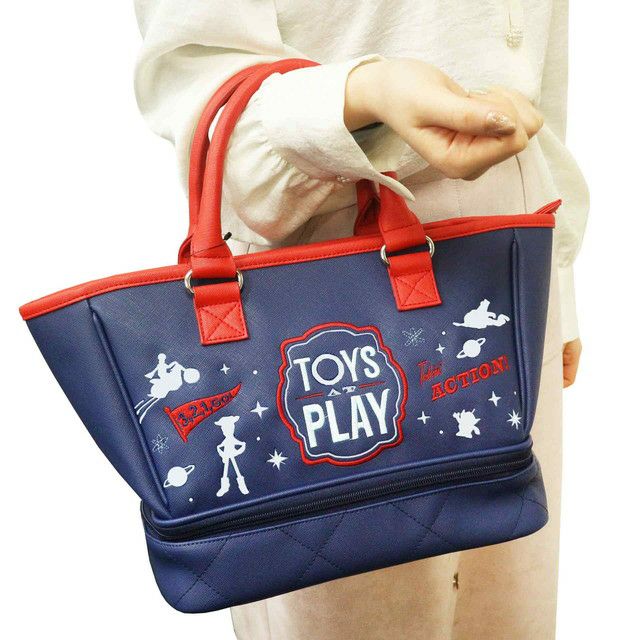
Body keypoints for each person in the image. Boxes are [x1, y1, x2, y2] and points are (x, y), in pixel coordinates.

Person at [134, 1, 587, 638]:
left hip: (509, 267)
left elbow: (540, 75)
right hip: (316, 268)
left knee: (510, 607)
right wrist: (365, 93)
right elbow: (192, 81)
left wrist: (558, 273)